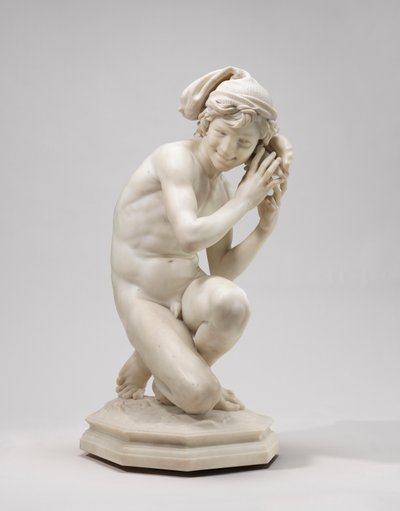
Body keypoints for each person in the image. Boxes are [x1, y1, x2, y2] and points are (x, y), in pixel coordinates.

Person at [111, 67, 292, 414]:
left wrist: (263, 229)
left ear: (256, 148)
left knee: (233, 305)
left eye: (243, 143)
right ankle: (165, 363)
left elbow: (221, 269)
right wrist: (245, 201)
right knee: (201, 397)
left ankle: (161, 367)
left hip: (187, 289)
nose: (228, 149)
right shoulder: (176, 159)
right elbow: (189, 236)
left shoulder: (221, 188)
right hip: (144, 296)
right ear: (206, 124)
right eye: (221, 133)